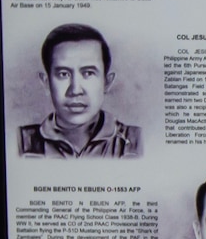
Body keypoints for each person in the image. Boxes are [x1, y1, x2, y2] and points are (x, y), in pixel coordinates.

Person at [18, 24, 141, 158]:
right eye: (63, 74)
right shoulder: (21, 143)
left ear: (107, 82)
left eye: (88, 73)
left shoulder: (136, 142)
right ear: (46, 83)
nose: (75, 90)